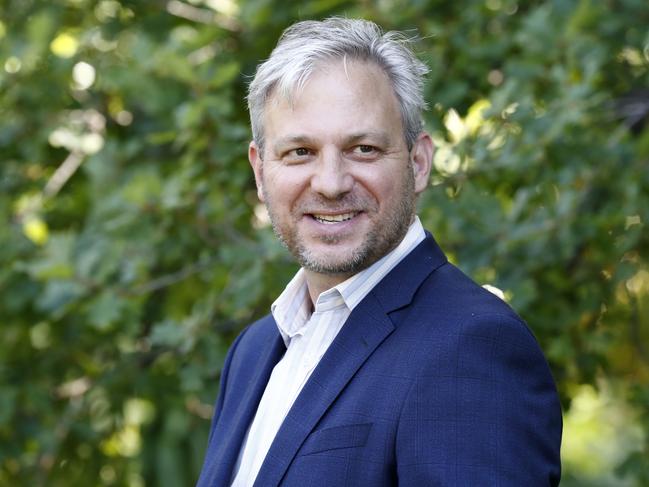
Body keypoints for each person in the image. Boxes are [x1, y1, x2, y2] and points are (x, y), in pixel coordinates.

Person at [197, 17, 562, 487]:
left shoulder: (471, 347)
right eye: (299, 152)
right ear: (260, 171)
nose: (330, 183)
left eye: (363, 148)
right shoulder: (252, 353)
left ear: (418, 162)